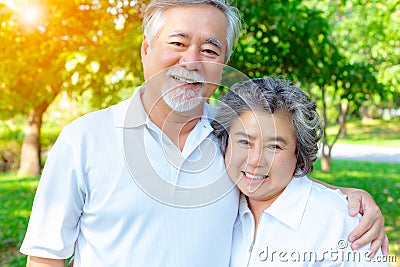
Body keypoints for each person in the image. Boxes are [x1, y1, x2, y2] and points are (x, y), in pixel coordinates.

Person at [20, 1, 387, 266]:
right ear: (146, 49)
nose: (192, 60)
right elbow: (45, 257)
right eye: (177, 43)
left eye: (210, 49)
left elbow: (271, 181)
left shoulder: (231, 135)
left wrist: (347, 200)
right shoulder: (84, 139)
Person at [212, 76, 389, 266]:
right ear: (226, 141)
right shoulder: (219, 205)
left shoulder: (339, 221)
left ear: (298, 153)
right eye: (245, 142)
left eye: (274, 147)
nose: (255, 160)